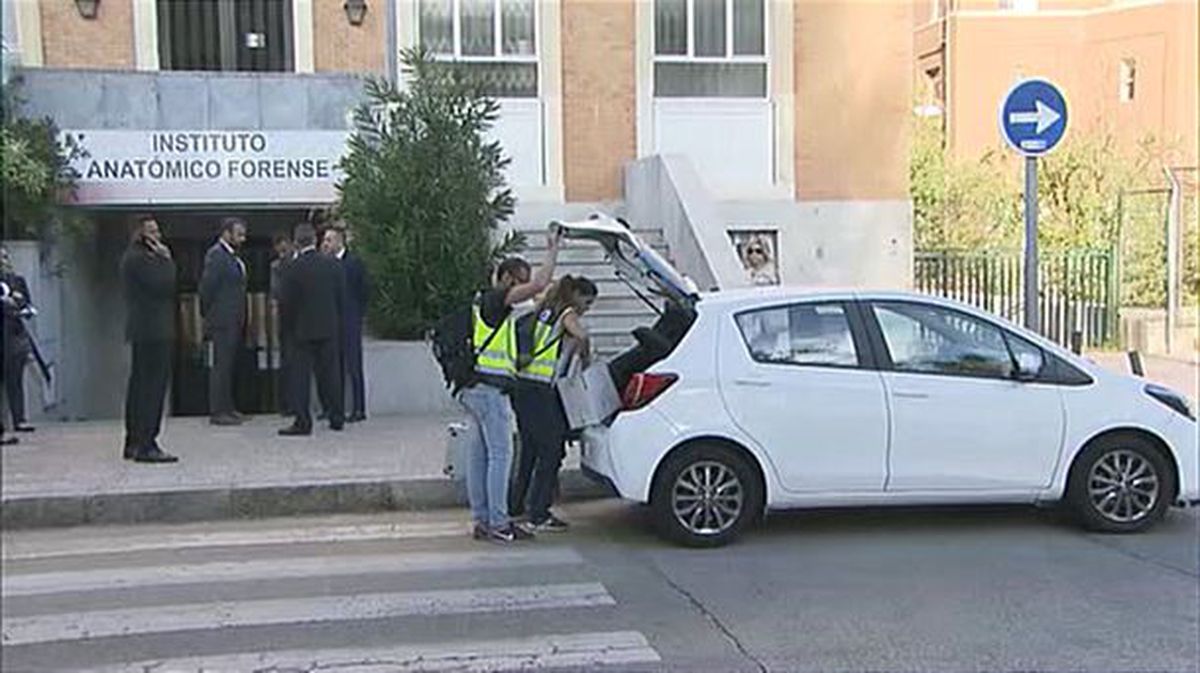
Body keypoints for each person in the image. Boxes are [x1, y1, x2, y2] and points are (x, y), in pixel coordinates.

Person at [460, 229, 562, 544]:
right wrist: (552, 249)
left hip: (473, 387)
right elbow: (542, 285)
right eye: (520, 281)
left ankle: (482, 520)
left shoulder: (481, 301)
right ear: (505, 279)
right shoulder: (496, 299)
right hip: (489, 391)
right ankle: (499, 522)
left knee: (478, 456)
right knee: (500, 455)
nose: (525, 289)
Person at [510, 275, 597, 532]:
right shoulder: (566, 312)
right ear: (576, 295)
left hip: (522, 386)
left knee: (530, 450)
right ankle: (539, 513)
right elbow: (581, 335)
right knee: (551, 449)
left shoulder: (544, 309)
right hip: (538, 389)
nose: (587, 308)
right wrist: (585, 358)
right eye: (587, 301)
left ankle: (516, 505)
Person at [119, 216, 180, 463]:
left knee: (139, 386)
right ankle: (147, 443)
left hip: (144, 329)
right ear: (140, 234)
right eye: (152, 231)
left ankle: (134, 441)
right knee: (151, 388)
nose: (158, 236)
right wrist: (167, 260)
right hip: (153, 330)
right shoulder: (140, 259)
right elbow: (165, 284)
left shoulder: (133, 258)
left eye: (158, 230)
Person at [278, 223, 345, 436]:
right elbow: (341, 297)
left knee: (301, 378)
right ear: (315, 240)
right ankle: (336, 416)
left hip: (301, 330)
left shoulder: (291, 267)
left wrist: (287, 327)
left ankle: (302, 421)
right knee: (330, 375)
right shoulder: (333, 265)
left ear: (296, 242)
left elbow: (286, 301)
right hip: (328, 327)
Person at [199, 216, 248, 426]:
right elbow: (207, 287)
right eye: (239, 234)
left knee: (230, 365)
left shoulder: (233, 257)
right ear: (226, 233)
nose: (243, 238)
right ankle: (218, 410)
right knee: (221, 365)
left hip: (234, 318)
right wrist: (209, 314)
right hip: (222, 319)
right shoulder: (216, 256)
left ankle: (228, 407)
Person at [322, 226, 369, 423]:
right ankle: (335, 408)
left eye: (330, 240)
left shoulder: (353, 263)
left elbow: (364, 290)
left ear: (340, 241)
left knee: (353, 366)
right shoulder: (327, 264)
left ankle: (359, 408)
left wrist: (358, 314)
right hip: (333, 321)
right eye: (325, 239)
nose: (326, 243)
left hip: (350, 321)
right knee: (335, 367)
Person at [1, 245, 35, 435]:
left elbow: (28, 307)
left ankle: (19, 419)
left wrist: (19, 303)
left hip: (14, 335)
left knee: (15, 380)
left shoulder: (17, 281)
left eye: (5, 257)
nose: (4, 261)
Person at [270, 233, 298, 418]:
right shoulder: (277, 267)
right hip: (286, 320)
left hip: (302, 318)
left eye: (285, 247)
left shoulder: (301, 263)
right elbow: (276, 292)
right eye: (279, 248)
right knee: (287, 362)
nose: (282, 251)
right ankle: (286, 404)